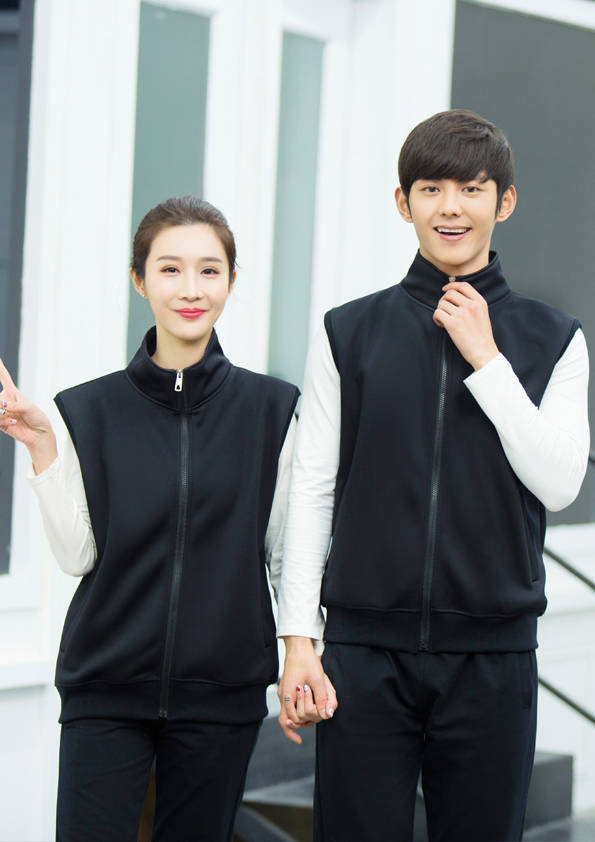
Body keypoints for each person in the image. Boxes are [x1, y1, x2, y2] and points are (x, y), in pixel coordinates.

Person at [276, 109, 590, 841]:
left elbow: (559, 483)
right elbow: (313, 489)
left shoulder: (555, 339)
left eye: (471, 189)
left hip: (493, 657)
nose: (451, 208)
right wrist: (298, 641)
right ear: (403, 202)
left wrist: (487, 359)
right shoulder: (347, 331)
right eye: (431, 189)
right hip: (362, 656)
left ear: (503, 203)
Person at [0, 196, 299, 842]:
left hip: (222, 690)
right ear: (139, 280)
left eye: (209, 270)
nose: (190, 289)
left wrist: (303, 649)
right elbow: (78, 555)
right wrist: (43, 447)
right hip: (104, 686)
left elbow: (282, 553)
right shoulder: (89, 410)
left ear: (231, 281)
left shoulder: (271, 410)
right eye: (169, 269)